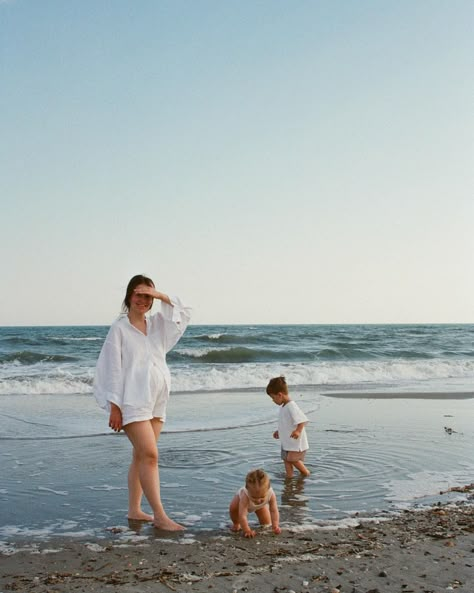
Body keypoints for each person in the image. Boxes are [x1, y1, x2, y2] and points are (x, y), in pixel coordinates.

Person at [93, 274, 191, 531]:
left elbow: (184, 312)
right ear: (129, 296)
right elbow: (112, 367)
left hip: (157, 398)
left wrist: (159, 295)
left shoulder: (158, 324)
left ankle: (135, 510)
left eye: (148, 296)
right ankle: (160, 515)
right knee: (150, 455)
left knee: (140, 456)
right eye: (139, 294)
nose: (144, 300)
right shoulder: (120, 328)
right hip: (131, 400)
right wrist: (114, 405)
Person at [266, 376, 310, 478]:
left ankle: (305, 472)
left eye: (273, 398)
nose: (273, 400)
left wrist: (298, 431)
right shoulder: (284, 406)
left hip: (295, 441)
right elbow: (285, 422)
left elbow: (302, 420)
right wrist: (279, 431)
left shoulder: (291, 406)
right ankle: (289, 476)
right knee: (286, 459)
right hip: (287, 441)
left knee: (292, 459)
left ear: (280, 395)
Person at [229, 469, 281, 538]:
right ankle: (236, 524)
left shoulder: (271, 494)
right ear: (247, 490)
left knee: (266, 524)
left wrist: (275, 525)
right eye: (254, 497)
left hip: (261, 506)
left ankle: (270, 526)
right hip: (239, 504)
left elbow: (274, 511)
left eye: (262, 497)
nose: (258, 500)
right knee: (233, 510)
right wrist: (247, 530)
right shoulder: (245, 496)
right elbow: (243, 515)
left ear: (268, 490)